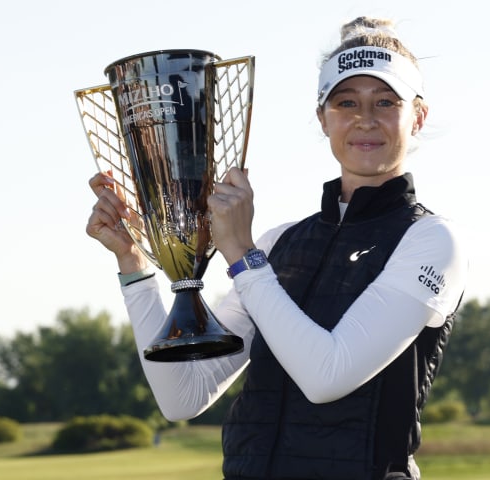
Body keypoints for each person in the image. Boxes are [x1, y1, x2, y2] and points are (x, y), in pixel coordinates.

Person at [87, 16, 468, 480]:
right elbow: (183, 395)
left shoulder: (430, 240)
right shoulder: (279, 244)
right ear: (322, 118)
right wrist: (135, 266)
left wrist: (241, 256)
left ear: (418, 116)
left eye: (386, 102)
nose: (365, 119)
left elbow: (327, 375)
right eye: (346, 102)